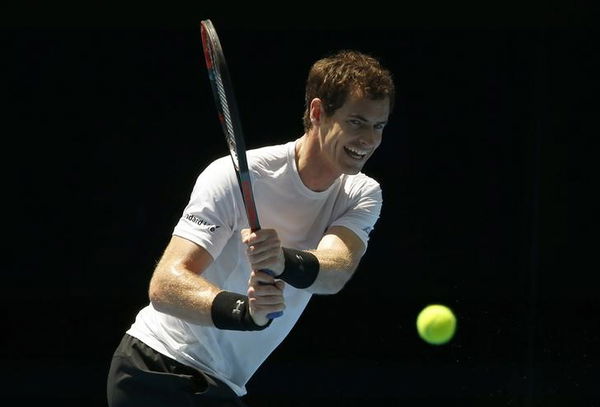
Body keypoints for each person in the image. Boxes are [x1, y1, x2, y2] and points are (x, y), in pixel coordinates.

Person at [107, 49, 395, 406]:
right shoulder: (235, 175)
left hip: (223, 386)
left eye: (378, 126)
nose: (369, 139)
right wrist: (244, 312)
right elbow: (165, 285)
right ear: (318, 113)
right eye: (356, 122)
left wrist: (283, 261)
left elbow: (334, 273)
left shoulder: (361, 193)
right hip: (155, 368)